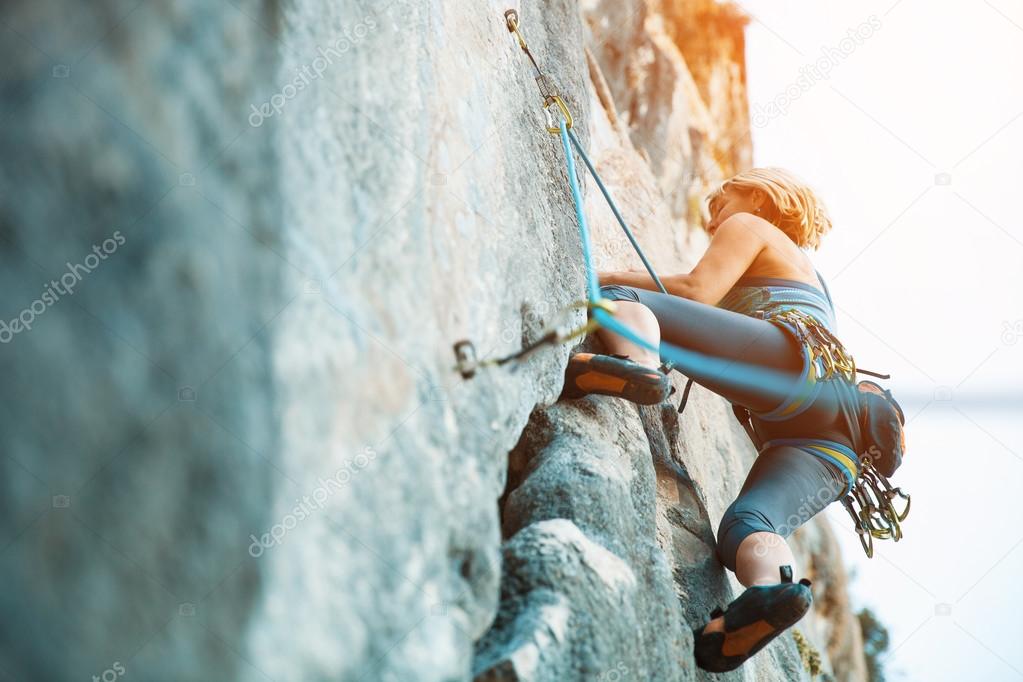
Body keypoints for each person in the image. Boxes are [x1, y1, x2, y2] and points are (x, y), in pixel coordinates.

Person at [559, 167, 862, 672]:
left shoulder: (752, 225)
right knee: (747, 526)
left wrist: (608, 276)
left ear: (762, 198)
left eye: (724, 198)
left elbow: (696, 290)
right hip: (833, 440)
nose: (716, 213)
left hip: (790, 367)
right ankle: (770, 593)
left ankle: (637, 367)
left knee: (621, 302)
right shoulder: (813, 278)